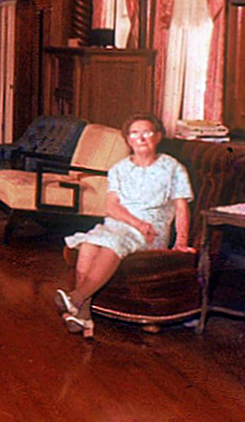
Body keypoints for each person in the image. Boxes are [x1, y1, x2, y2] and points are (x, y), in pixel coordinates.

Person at [55, 114, 195, 338]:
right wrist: (135, 222)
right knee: (89, 244)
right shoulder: (119, 169)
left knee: (112, 242)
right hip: (121, 224)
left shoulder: (173, 168)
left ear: (158, 136)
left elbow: (181, 207)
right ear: (128, 140)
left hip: (151, 231)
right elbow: (111, 207)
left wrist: (181, 241)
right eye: (135, 133)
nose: (141, 138)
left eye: (147, 132)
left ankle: (76, 298)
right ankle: (83, 315)